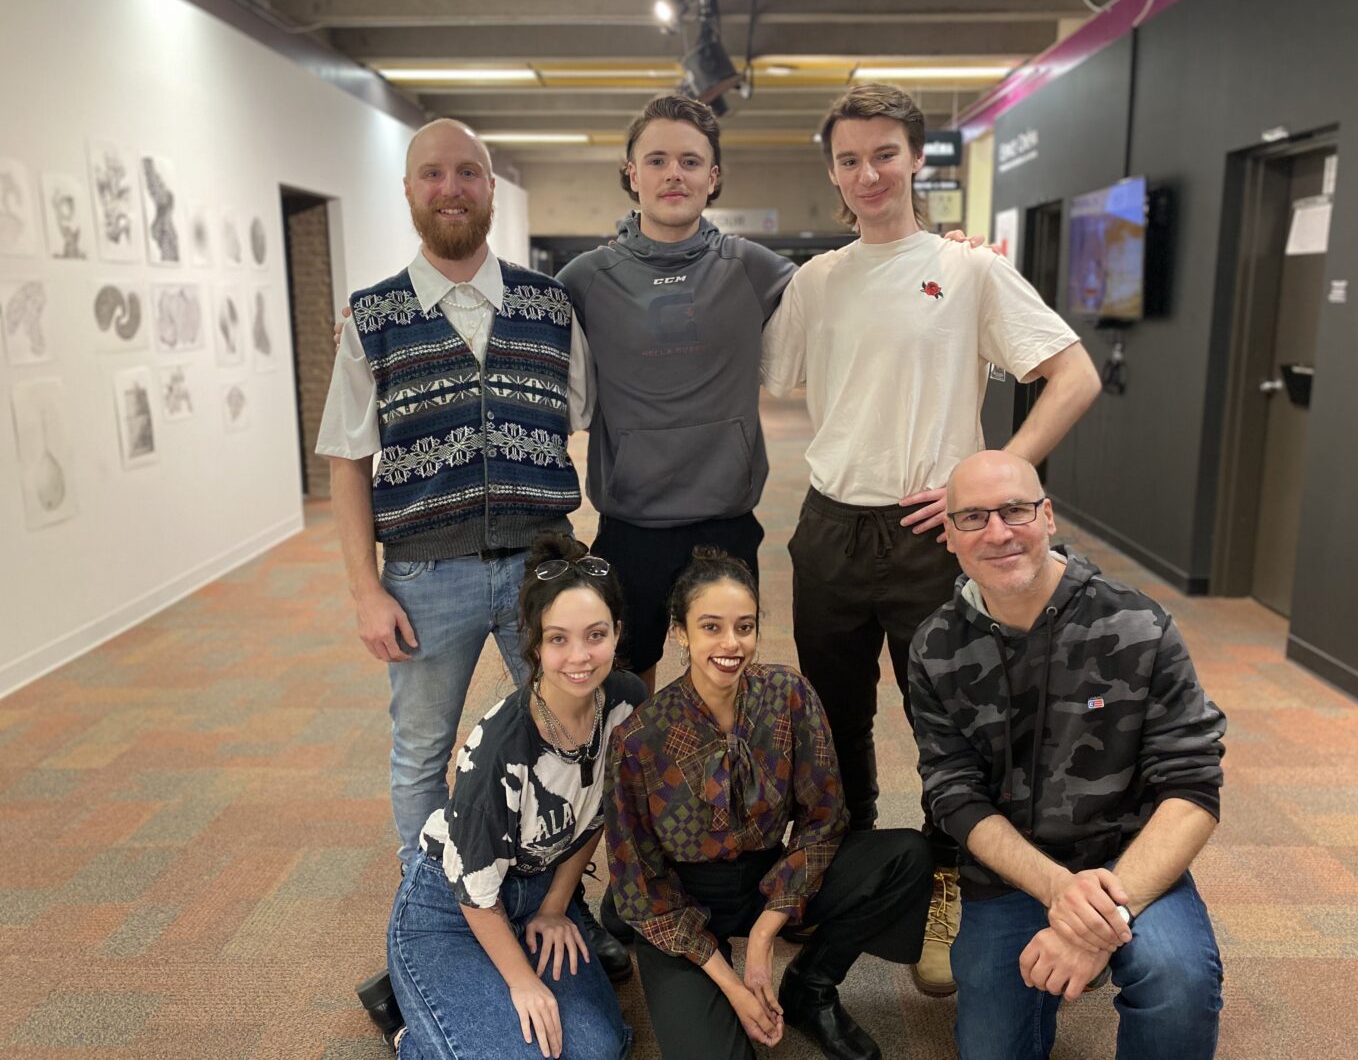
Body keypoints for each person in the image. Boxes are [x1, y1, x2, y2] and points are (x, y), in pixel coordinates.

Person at [759, 82, 1102, 994]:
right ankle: (842, 871)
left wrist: (991, 478)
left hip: (932, 537)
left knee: (949, 725)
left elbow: (1072, 376)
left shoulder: (969, 271)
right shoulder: (816, 281)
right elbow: (765, 376)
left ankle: (953, 893)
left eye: (883, 154)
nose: (867, 173)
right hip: (831, 528)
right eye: (848, 159)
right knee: (832, 726)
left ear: (915, 158)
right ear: (831, 171)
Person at [317, 118, 589, 866]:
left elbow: (590, 420)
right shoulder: (371, 319)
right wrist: (365, 591)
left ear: (491, 189)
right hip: (424, 578)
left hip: (545, 570)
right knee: (422, 751)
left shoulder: (549, 308)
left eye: (468, 172)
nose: (451, 189)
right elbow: (347, 461)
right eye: (433, 174)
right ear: (408, 189)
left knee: (569, 733)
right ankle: (430, 907)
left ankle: (558, 897)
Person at [909, 450, 1227, 1060]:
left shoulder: (1138, 625)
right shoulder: (935, 647)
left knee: (1179, 980)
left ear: (1048, 516)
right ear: (948, 536)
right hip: (1008, 876)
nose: (998, 532)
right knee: (990, 1048)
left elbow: (1192, 788)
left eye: (1015, 510)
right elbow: (953, 794)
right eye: (973, 517)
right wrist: (1059, 892)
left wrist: (1098, 919)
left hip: (1127, 862)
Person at [606, 548, 931, 1060]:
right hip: (682, 899)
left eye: (745, 626)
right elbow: (641, 884)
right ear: (680, 633)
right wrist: (734, 987)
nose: (731, 644)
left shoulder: (789, 693)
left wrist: (763, 936)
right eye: (711, 627)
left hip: (767, 875)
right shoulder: (638, 738)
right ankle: (667, 957)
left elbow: (825, 819)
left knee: (907, 857)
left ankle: (810, 988)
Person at [556, 95, 794, 695]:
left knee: (723, 684)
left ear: (712, 177)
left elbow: (851, 286)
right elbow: (507, 322)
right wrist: (368, 321)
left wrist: (945, 253)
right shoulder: (585, 278)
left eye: (690, 161)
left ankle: (719, 791)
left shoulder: (753, 267)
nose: (674, 174)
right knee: (627, 686)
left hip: (726, 522)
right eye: (657, 160)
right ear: (631, 173)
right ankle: (636, 790)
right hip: (631, 522)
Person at [386, 533, 644, 1059]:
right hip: (454, 907)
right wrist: (524, 982)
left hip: (533, 893)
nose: (579, 657)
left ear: (618, 634)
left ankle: (452, 1017)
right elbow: (476, 895)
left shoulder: (624, 704)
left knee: (599, 1050)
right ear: (535, 644)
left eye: (595, 635)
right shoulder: (501, 749)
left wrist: (555, 907)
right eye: (558, 639)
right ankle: (411, 1025)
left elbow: (591, 821)